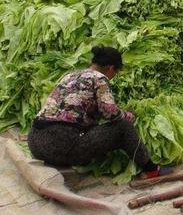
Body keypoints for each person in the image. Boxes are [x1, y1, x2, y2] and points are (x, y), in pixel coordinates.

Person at [28, 46, 170, 179]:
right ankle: (151, 169)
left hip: (35, 142)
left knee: (92, 128)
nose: (114, 76)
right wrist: (129, 115)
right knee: (123, 126)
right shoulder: (99, 78)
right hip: (61, 147)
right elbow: (110, 113)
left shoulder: (70, 76)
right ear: (110, 68)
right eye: (116, 72)